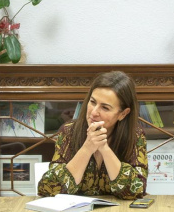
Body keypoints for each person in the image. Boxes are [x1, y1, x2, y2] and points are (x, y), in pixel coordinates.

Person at [38, 71, 147, 199]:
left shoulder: (135, 135)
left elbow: (136, 190)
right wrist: (87, 148)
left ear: (123, 114)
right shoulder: (68, 131)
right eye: (93, 102)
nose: (94, 112)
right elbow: (48, 189)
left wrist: (104, 148)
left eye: (105, 108)